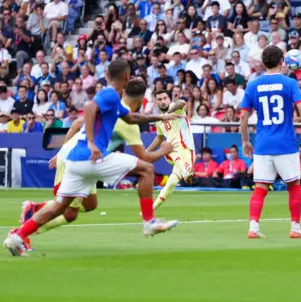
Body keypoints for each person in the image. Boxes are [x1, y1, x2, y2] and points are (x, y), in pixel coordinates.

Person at [4, 60, 180, 257]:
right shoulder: (111, 93)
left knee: (61, 207)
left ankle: (17, 237)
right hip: (91, 157)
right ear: (126, 77)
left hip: (75, 161)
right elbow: (88, 108)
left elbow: (132, 118)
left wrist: (160, 118)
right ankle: (149, 222)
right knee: (146, 169)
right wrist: (91, 142)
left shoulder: (114, 100)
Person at [239, 45, 301, 239]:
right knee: (294, 184)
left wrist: (245, 141)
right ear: (282, 61)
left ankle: (253, 227)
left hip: (262, 143)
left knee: (261, 186)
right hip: (286, 142)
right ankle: (295, 228)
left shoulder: (253, 85)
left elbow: (243, 117)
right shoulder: (289, 83)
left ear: (263, 62)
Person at [146, 90, 195, 211]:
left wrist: (168, 112)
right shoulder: (159, 120)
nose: (163, 101)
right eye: (160, 99)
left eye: (165, 98)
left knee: (171, 183)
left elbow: (182, 102)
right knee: (167, 144)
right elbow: (159, 138)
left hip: (187, 152)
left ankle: (151, 208)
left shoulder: (175, 108)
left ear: (169, 98)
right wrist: (146, 152)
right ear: (156, 101)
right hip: (174, 153)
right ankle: (185, 172)